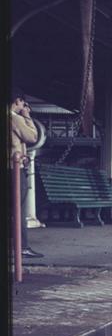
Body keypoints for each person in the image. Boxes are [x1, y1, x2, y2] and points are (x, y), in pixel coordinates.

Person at [9, 87, 43, 258]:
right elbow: (32, 137)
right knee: (19, 209)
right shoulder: (14, 118)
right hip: (14, 170)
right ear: (18, 101)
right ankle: (22, 247)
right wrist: (27, 116)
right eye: (23, 103)